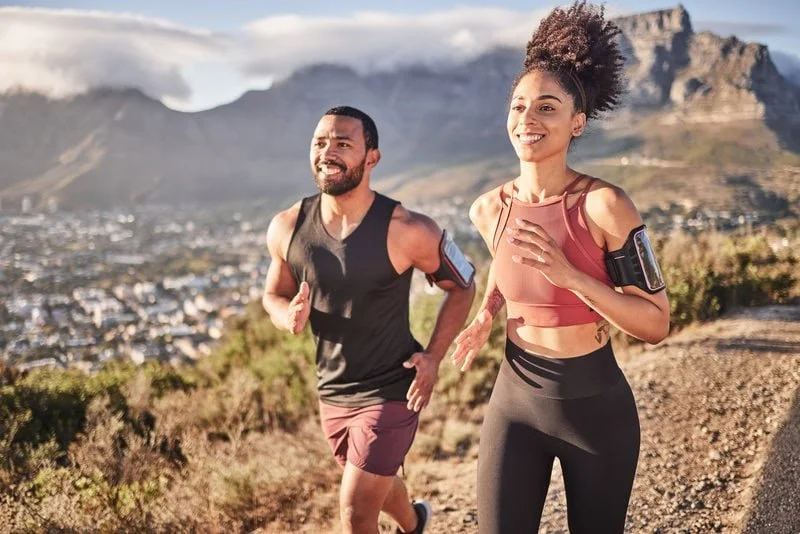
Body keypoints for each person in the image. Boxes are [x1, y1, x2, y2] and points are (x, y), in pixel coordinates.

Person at [451, 2, 671, 533]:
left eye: (547, 108)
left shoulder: (605, 205)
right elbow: (510, 268)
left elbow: (656, 324)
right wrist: (487, 313)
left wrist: (571, 276)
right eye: (519, 106)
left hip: (594, 410)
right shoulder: (488, 209)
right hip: (516, 400)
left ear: (577, 123)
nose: (528, 119)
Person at [262, 106, 476, 534]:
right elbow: (274, 294)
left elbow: (464, 284)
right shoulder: (288, 226)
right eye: (320, 142)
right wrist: (287, 315)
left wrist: (433, 357)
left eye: (343, 143)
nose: (329, 152)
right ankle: (414, 522)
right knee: (373, 482)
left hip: (393, 387)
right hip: (333, 392)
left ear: (372, 157)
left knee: (355, 512)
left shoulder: (407, 228)